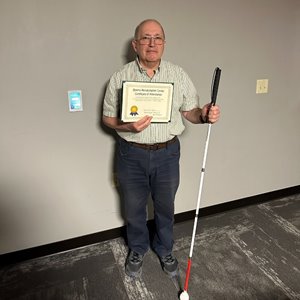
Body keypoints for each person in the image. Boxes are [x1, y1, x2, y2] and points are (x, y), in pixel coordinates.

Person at [102, 19, 220, 278]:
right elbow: (107, 118)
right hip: (130, 154)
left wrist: (204, 114)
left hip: (167, 154)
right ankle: (137, 248)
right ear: (135, 45)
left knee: (165, 206)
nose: (151, 43)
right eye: (145, 38)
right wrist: (127, 126)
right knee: (133, 208)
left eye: (157, 38)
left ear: (164, 44)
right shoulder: (120, 78)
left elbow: (190, 111)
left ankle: (165, 248)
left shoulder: (178, 75)